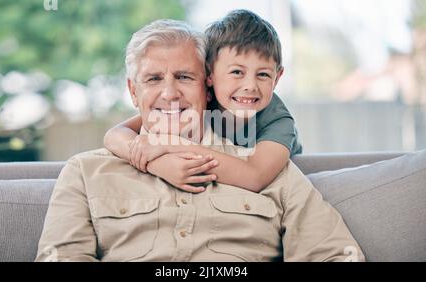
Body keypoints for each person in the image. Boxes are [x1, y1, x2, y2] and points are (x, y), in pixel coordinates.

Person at [36, 19, 364, 262]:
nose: (169, 93)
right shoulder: (85, 172)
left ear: (207, 87)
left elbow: (336, 255)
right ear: (133, 91)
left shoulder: (267, 163)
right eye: (153, 79)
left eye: (183, 77)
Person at [104, 10, 302, 193]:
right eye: (236, 72)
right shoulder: (205, 97)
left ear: (277, 77)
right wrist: (159, 165)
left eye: (263, 74)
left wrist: (170, 144)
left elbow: (254, 177)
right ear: (209, 75)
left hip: (278, 169)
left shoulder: (278, 121)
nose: (250, 85)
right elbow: (115, 135)